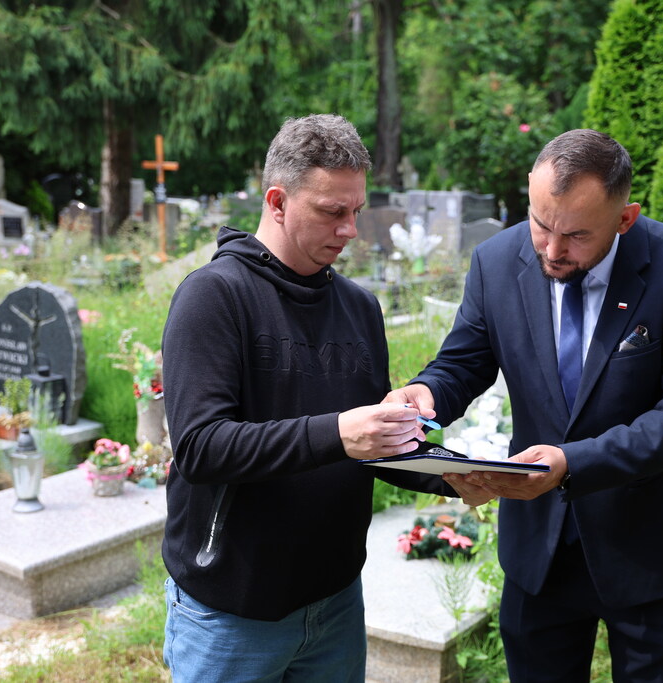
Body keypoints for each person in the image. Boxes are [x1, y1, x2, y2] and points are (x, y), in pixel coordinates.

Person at [385, 128, 663, 681]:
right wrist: (426, 393)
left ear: (625, 218)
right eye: (540, 223)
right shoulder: (496, 261)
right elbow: (463, 363)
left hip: (652, 553)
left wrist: (572, 463)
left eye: (576, 235)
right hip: (538, 556)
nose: (550, 249)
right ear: (529, 190)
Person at [160, 114, 466, 683]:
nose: (350, 230)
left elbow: (374, 443)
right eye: (332, 211)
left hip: (336, 603)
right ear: (277, 202)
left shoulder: (359, 307)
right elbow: (201, 448)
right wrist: (339, 432)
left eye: (356, 211)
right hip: (232, 614)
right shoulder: (213, 296)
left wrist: (460, 475)